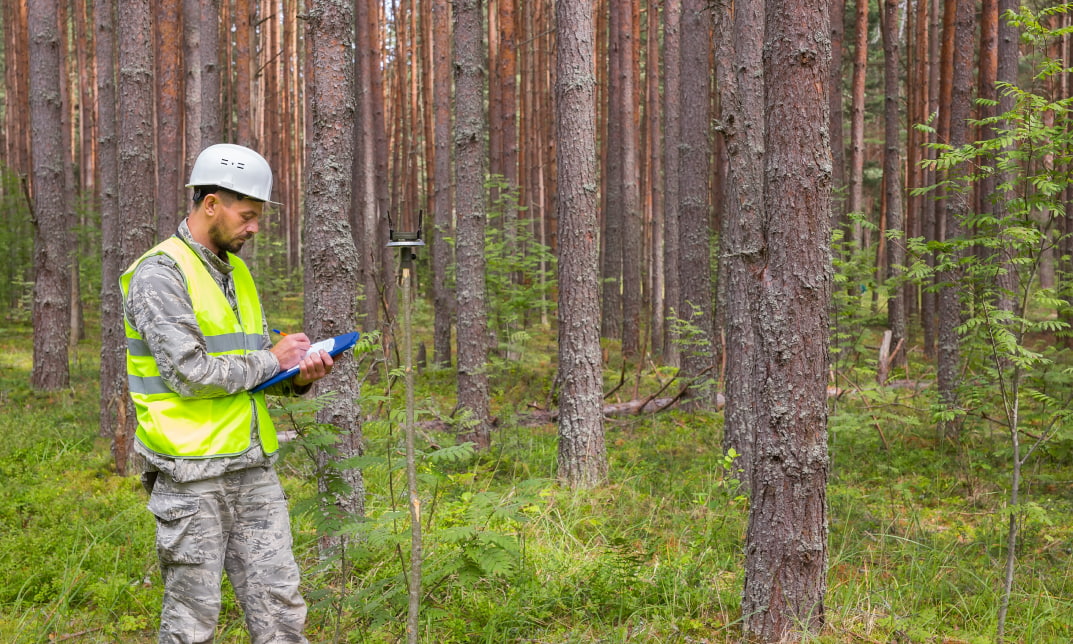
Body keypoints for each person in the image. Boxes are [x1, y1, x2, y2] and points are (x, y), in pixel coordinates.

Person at [121, 143, 331, 643]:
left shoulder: (234, 270)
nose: (254, 227)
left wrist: (297, 375)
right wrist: (273, 358)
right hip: (191, 475)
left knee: (280, 606)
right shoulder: (160, 273)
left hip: (252, 467)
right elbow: (189, 374)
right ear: (211, 203)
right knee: (192, 620)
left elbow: (248, 365)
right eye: (247, 215)